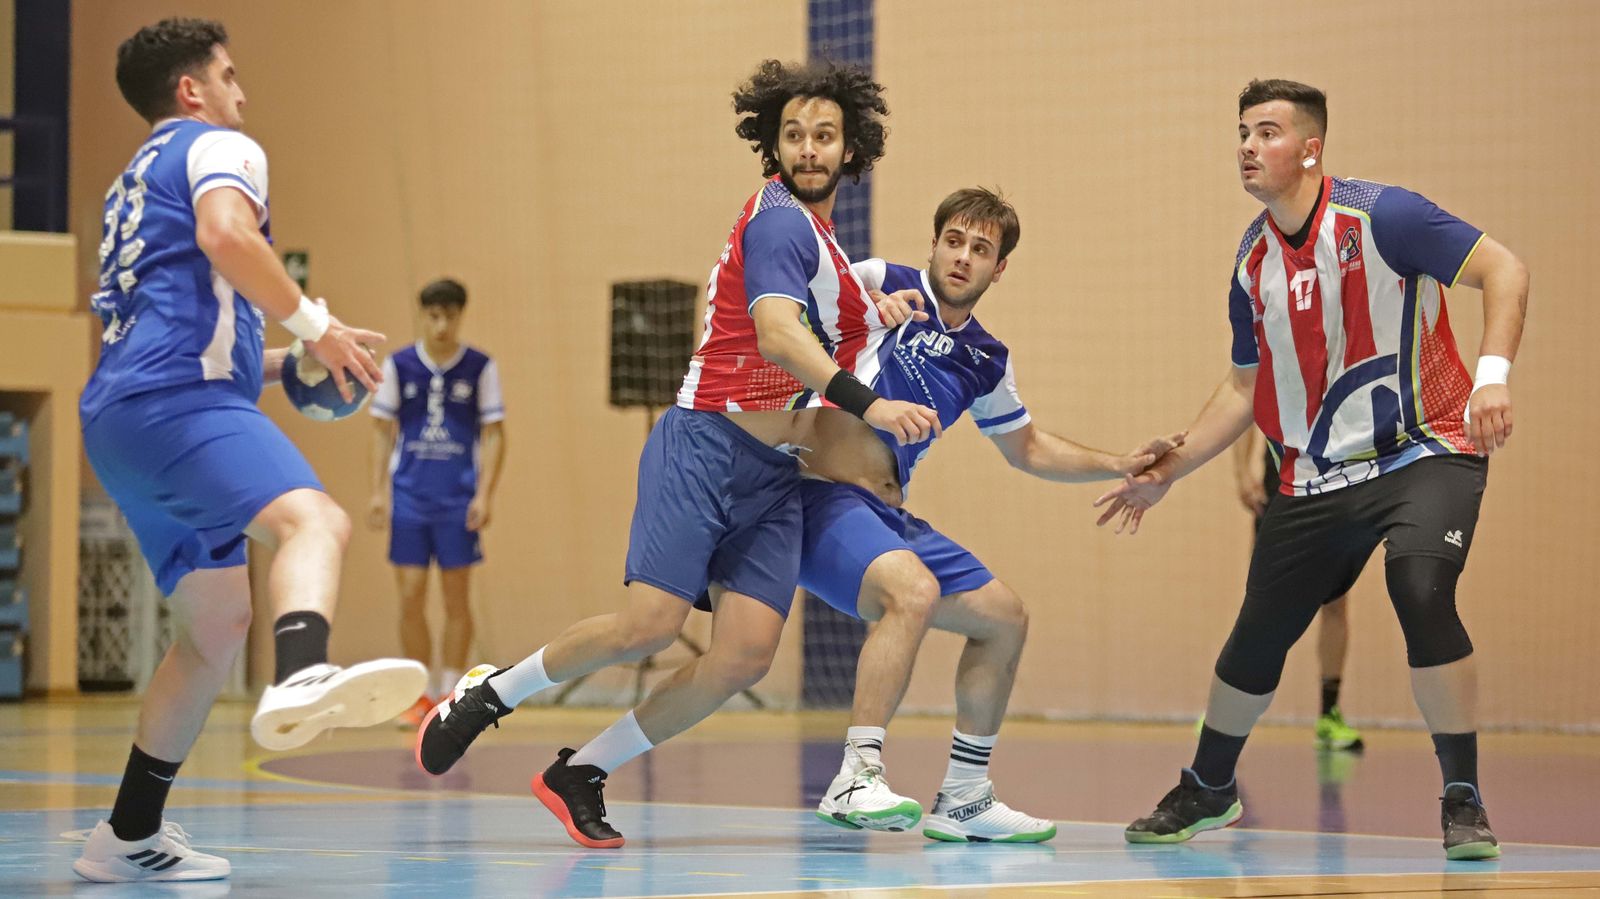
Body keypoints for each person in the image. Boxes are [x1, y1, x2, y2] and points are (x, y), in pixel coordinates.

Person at [413, 59, 939, 848]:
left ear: (851, 150)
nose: (807, 148)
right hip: (705, 442)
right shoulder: (776, 220)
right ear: (771, 145)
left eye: (824, 136)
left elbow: (842, 317)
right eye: (792, 134)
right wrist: (874, 404)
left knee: (743, 656)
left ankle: (580, 770)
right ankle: (490, 693)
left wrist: (884, 311)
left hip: (774, 479)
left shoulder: (832, 256)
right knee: (649, 624)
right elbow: (777, 333)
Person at [1095, 79, 1527, 861]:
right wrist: (1175, 465)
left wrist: (1493, 372)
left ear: (1311, 148)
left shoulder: (1385, 215)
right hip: (1317, 473)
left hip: (1424, 446)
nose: (1248, 147)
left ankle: (1461, 795)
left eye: (1266, 132)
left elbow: (1505, 270)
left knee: (1420, 586)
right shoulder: (1251, 258)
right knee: (1258, 632)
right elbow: (1243, 384)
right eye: (1241, 132)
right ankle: (1209, 785)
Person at [72, 19, 426, 882]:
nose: (243, 93)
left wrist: (292, 362)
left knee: (214, 628)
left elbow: (189, 329)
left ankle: (125, 833)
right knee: (316, 521)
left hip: (124, 417)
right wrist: (318, 327)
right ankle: (301, 676)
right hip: (172, 405)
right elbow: (229, 237)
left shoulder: (134, 182)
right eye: (229, 76)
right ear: (191, 90)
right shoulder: (220, 147)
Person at [798, 187, 1184, 842]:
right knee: (912, 592)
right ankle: (857, 773)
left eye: (981, 248)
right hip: (816, 495)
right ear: (935, 241)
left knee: (1004, 618)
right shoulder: (876, 281)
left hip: (889, 511)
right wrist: (863, 313)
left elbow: (1027, 446)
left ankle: (966, 797)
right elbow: (786, 325)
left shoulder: (985, 358)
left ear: (999, 267)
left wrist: (1121, 461)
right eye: (954, 240)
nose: (962, 256)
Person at [367, 278, 506, 726]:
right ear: (423, 315)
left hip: (457, 500)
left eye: (449, 315)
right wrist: (377, 492)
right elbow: (381, 430)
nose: (441, 325)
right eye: (433, 315)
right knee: (409, 595)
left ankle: (451, 690)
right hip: (409, 497)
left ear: (460, 316)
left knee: (456, 598)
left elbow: (494, 434)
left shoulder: (480, 367)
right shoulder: (400, 365)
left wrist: (485, 494)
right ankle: (419, 693)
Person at [1232, 428, 1362, 752]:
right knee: (1261, 605)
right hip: (1282, 480)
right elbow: (1244, 403)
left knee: (1335, 601)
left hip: (1336, 481)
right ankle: (1231, 708)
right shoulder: (1269, 374)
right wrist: (1242, 471)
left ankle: (1329, 714)